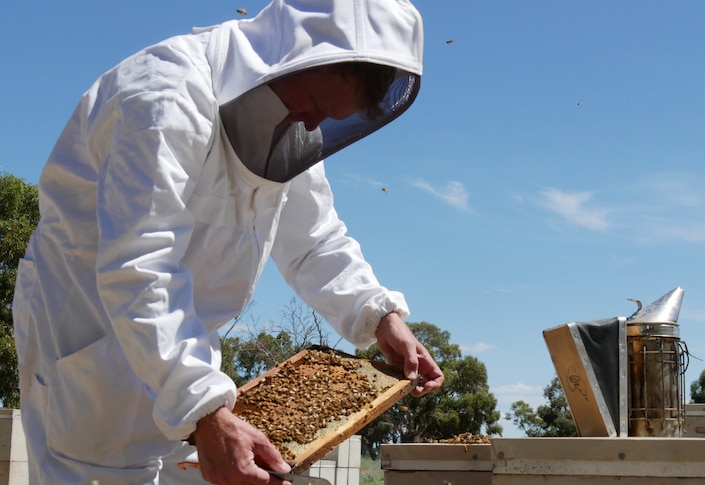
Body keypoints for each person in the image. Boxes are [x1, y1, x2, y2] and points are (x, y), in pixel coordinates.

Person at [11, 0, 443, 483]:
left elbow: (313, 240)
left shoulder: (292, 121)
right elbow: (139, 261)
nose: (315, 124)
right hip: (89, 348)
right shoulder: (164, 95)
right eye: (318, 106)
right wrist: (201, 404)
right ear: (295, 54)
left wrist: (378, 315)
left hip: (185, 361)